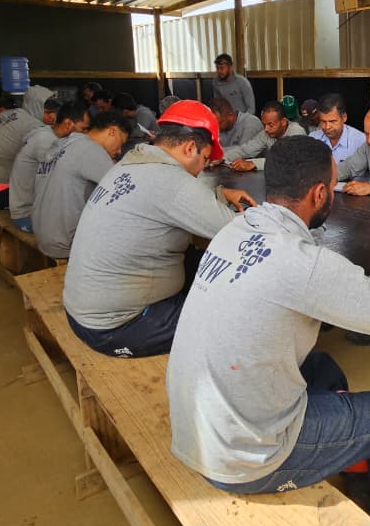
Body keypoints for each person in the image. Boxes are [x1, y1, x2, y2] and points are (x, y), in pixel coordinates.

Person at [166, 136, 370, 526]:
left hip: (196, 428)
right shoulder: (308, 266)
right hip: (244, 459)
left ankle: (349, 454)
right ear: (318, 193)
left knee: (325, 369)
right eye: (331, 187)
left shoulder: (235, 229)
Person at [62, 100, 256, 358]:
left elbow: (161, 199)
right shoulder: (171, 181)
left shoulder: (134, 162)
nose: (201, 171)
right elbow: (238, 231)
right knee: (239, 311)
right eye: (205, 159)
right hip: (117, 327)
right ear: (189, 147)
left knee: (204, 262)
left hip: (84, 309)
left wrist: (219, 193)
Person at [31, 111, 129, 259]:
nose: (119, 151)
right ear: (112, 131)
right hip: (64, 244)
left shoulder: (64, 143)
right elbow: (125, 191)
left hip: (43, 235)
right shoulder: (92, 150)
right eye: (121, 143)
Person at [9, 100, 88, 233]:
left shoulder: (48, 133)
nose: (86, 134)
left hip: (31, 210)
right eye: (83, 129)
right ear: (68, 123)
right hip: (27, 216)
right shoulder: (46, 141)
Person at [0, 85, 54, 210]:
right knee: (50, 192)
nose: (52, 117)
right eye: (47, 111)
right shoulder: (33, 125)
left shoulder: (13, 114)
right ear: (36, 106)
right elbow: (48, 158)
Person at [223, 100, 307, 171]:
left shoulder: (297, 132)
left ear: (284, 122)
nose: (266, 129)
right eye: (264, 124)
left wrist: (253, 164)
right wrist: (222, 158)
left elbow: (285, 160)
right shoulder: (266, 133)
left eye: (270, 124)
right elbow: (245, 150)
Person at [310, 93, 366, 170]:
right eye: (323, 121)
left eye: (332, 121)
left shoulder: (360, 141)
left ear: (344, 117)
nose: (327, 127)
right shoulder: (313, 139)